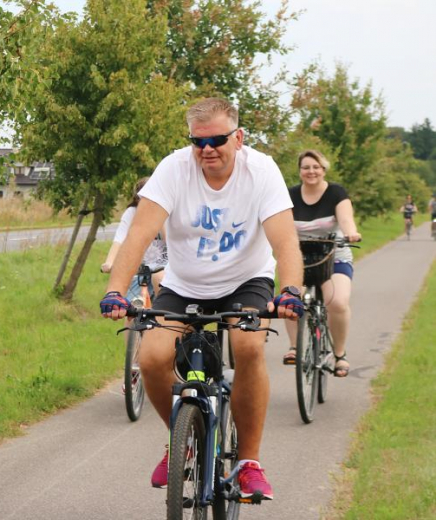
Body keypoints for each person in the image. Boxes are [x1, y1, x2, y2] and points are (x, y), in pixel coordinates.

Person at [100, 97, 304, 501]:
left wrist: (292, 289)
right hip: (185, 283)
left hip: (245, 279)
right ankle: (181, 440)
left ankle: (249, 462)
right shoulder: (174, 169)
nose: (207, 149)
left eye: (217, 140)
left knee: (247, 346)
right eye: (198, 142)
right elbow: (139, 234)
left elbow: (285, 242)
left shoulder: (261, 170)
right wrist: (114, 290)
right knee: (152, 358)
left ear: (239, 137)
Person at [282, 150, 361, 377]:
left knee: (336, 302)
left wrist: (351, 233)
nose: (311, 171)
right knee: (291, 299)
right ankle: (295, 347)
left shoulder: (336, 192)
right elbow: (281, 224)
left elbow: (345, 219)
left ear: (323, 169)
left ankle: (339, 354)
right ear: (299, 171)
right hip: (300, 257)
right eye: (306, 167)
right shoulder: (290, 196)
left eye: (315, 167)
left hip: (332, 255)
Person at [101, 176, 168, 302]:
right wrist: (109, 262)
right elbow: (119, 240)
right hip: (140, 270)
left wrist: (161, 217)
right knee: (133, 309)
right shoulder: (132, 213)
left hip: (165, 268)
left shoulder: (169, 212)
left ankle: (164, 315)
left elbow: (170, 241)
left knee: (159, 279)